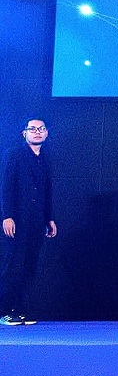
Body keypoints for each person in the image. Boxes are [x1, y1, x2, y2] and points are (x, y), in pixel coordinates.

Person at [0, 119, 57, 325]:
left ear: (47, 133)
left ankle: (21, 309)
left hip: (37, 220)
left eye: (41, 129)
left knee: (29, 265)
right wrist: (7, 216)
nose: (37, 132)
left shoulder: (45, 159)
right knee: (13, 265)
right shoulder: (14, 155)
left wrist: (49, 218)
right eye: (32, 129)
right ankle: (6, 311)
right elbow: (5, 187)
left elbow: (47, 191)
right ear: (24, 133)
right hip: (17, 219)